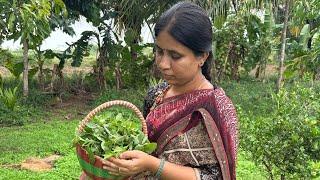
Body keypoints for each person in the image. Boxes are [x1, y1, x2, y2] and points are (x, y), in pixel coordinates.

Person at [101, 2, 238, 180]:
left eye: (175, 56)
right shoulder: (156, 94)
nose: (163, 64)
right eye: (159, 52)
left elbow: (217, 177)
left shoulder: (216, 109)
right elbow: (143, 146)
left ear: (202, 56)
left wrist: (152, 165)